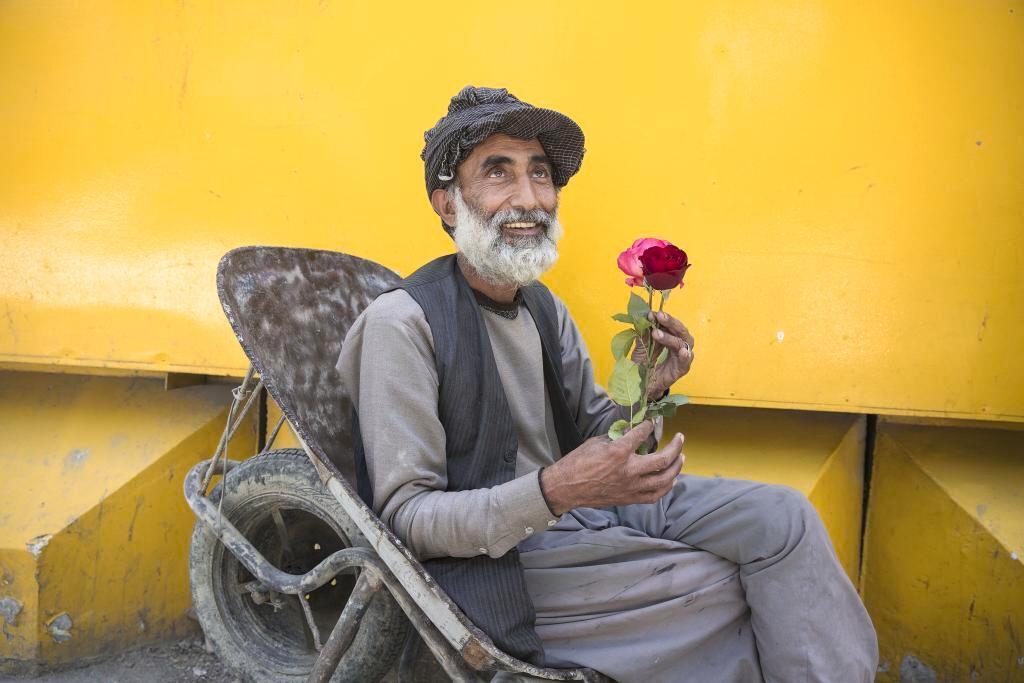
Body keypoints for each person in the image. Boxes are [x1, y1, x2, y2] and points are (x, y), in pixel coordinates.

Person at [336, 86, 878, 682]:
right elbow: (406, 521)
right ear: (447, 204)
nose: (529, 199)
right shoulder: (403, 325)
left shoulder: (542, 308)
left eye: (540, 174)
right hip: (500, 562)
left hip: (580, 512)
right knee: (720, 586)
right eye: (498, 173)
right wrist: (554, 491)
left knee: (783, 519)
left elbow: (600, 430)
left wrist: (648, 391)